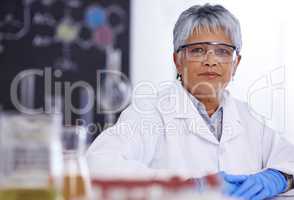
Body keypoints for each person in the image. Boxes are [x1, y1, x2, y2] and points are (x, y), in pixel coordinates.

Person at [86, 4, 294, 199]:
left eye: (222, 51)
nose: (210, 60)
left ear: (235, 63)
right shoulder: (149, 113)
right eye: (198, 50)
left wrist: (279, 178)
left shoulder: (248, 118)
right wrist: (182, 186)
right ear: (177, 61)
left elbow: (289, 159)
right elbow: (98, 163)